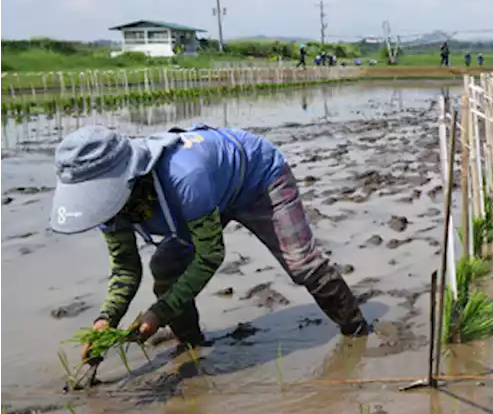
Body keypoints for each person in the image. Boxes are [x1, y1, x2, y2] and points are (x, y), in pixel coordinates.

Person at [49, 125, 368, 361]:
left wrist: (159, 313)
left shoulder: (182, 176)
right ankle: (192, 347)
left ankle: (357, 333)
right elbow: (125, 268)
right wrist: (105, 322)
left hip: (258, 179)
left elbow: (210, 255)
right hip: (206, 198)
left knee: (302, 261)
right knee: (166, 266)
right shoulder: (110, 207)